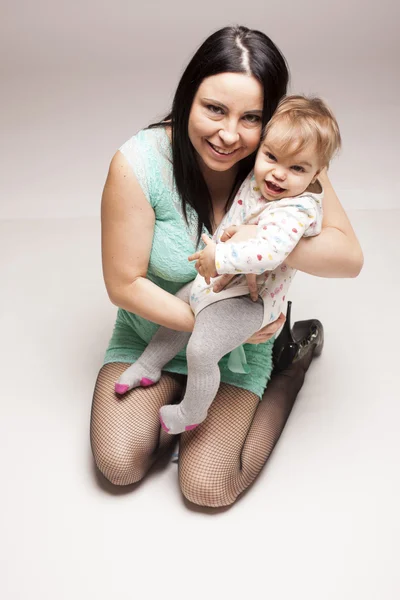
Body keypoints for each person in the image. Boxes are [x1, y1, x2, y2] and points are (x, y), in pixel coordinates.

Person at [90, 25, 363, 508]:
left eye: (251, 117)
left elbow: (349, 258)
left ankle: (290, 363)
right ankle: (173, 394)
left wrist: (270, 242)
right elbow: (124, 283)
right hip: (156, 326)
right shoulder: (140, 162)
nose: (229, 134)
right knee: (118, 463)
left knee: (207, 487)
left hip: (239, 339)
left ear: (273, 119)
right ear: (187, 96)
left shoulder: (283, 160)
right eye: (214, 109)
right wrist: (207, 321)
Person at [114, 95, 341, 435]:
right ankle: (149, 365)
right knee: (179, 303)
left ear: (316, 174)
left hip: (252, 300)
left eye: (297, 168)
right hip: (224, 282)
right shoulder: (259, 177)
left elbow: (269, 253)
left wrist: (218, 257)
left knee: (202, 350)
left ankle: (191, 412)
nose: (279, 174)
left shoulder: (297, 208)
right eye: (271, 157)